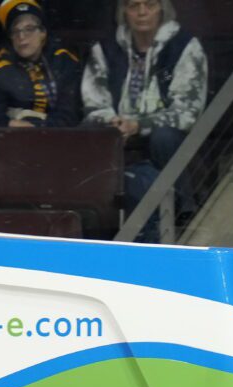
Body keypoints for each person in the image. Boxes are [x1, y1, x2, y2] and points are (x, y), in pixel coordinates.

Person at [82, 0, 208, 241]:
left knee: (164, 137)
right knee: (88, 130)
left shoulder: (185, 46)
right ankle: (94, 214)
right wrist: (115, 124)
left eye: (149, 4)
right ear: (123, 12)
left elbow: (188, 110)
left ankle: (183, 211)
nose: (141, 13)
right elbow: (94, 102)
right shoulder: (105, 48)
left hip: (164, 134)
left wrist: (140, 125)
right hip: (117, 130)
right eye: (133, 5)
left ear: (162, 8)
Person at [0, 0, 82, 141]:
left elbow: (70, 113)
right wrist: (9, 123)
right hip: (15, 142)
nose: (22, 36)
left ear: (43, 32)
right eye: (15, 31)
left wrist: (39, 127)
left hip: (61, 141)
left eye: (29, 29)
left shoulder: (64, 61)